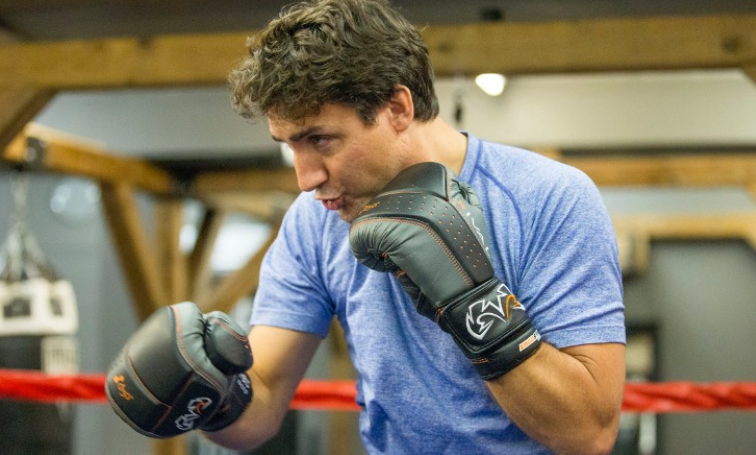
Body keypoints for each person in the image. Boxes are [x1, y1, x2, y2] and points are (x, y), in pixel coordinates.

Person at [106, 1, 626, 454]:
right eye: (289, 146)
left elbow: (588, 433)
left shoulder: (546, 199)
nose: (306, 178)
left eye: (321, 140)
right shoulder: (314, 222)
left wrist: (471, 303)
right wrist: (212, 399)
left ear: (397, 108)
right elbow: (261, 402)